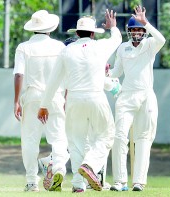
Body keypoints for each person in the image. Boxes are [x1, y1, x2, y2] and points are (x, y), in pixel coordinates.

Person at [37, 9, 122, 193]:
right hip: (96, 97)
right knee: (106, 135)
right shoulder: (100, 46)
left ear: (76, 33)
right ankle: (90, 165)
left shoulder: (66, 51)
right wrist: (112, 27)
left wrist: (44, 105)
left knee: (75, 141)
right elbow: (117, 39)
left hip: (74, 99)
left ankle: (77, 184)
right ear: (93, 33)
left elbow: (53, 81)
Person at [108, 5, 166, 192]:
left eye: (139, 30)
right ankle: (120, 181)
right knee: (119, 137)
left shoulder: (150, 46)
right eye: (133, 30)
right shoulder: (122, 48)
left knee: (143, 139)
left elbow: (162, 39)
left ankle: (138, 181)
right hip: (126, 96)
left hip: (146, 96)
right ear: (128, 32)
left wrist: (146, 23)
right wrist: (107, 72)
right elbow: (117, 71)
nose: (136, 33)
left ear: (144, 32)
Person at [13, 10, 69, 192]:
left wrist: (16, 101)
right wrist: (65, 97)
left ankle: (31, 181)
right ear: (50, 29)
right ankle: (58, 166)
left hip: (32, 95)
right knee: (59, 136)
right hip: (54, 96)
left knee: (30, 140)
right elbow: (66, 74)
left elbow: (19, 74)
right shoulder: (60, 46)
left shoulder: (24, 47)